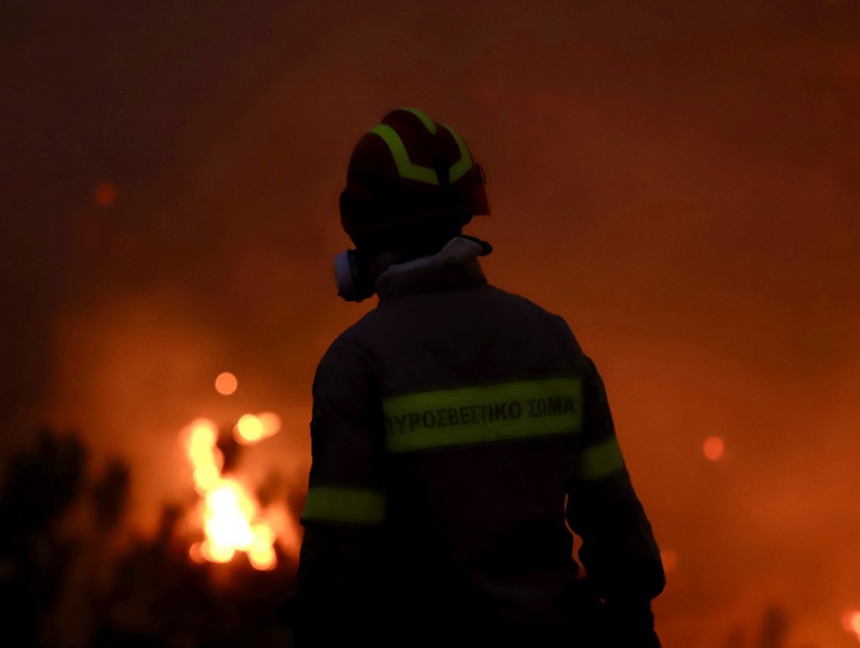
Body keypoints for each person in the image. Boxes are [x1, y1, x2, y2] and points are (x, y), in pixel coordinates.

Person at [285, 107, 665, 647]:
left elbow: (337, 556)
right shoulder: (550, 338)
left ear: (358, 219)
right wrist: (633, 616)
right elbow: (613, 518)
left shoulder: (358, 362)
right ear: (465, 211)